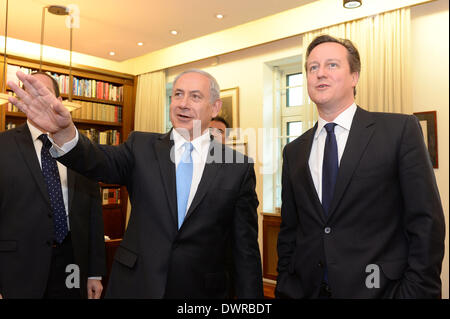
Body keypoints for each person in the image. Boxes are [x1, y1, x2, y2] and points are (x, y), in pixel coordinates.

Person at [8, 68, 263, 298]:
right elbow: (98, 161)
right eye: (177, 94)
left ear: (215, 107)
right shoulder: (141, 145)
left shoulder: (237, 167)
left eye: (195, 96)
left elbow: (246, 252)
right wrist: (64, 132)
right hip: (136, 286)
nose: (183, 104)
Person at [275, 35, 445, 299]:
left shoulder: (398, 131)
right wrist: (286, 283)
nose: (320, 73)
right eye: (312, 67)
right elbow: (290, 230)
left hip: (381, 291)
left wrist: (416, 292)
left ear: (354, 76)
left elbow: (426, 222)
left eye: (332, 65)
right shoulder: (294, 151)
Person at [0, 72, 106, 299]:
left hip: (72, 263)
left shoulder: (79, 147)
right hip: (18, 268)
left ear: (58, 101)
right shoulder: (3, 146)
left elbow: (93, 212)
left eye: (45, 94)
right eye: (32, 94)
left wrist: (94, 273)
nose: (39, 100)